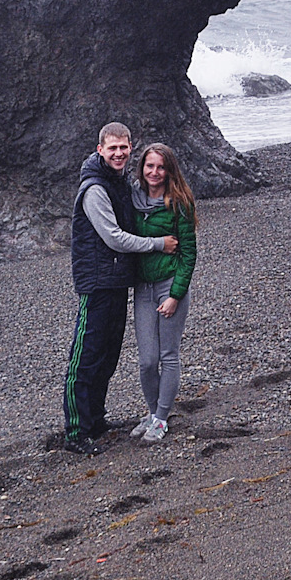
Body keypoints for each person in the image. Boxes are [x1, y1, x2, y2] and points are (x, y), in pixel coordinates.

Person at [63, 122, 176, 454]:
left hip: (115, 280)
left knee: (107, 355)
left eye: (123, 148)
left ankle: (96, 420)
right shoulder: (95, 188)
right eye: (112, 148)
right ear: (100, 150)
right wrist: (158, 244)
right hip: (96, 283)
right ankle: (75, 431)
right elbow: (113, 236)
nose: (119, 153)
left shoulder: (119, 181)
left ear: (130, 148)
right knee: (85, 357)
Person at [126, 142, 198, 444]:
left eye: (160, 167)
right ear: (142, 168)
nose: (154, 172)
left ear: (169, 170)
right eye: (149, 166)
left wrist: (175, 295)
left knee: (168, 355)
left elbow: (189, 254)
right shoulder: (133, 199)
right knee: (146, 360)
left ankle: (161, 417)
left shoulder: (179, 203)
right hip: (143, 288)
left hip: (170, 286)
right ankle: (154, 411)